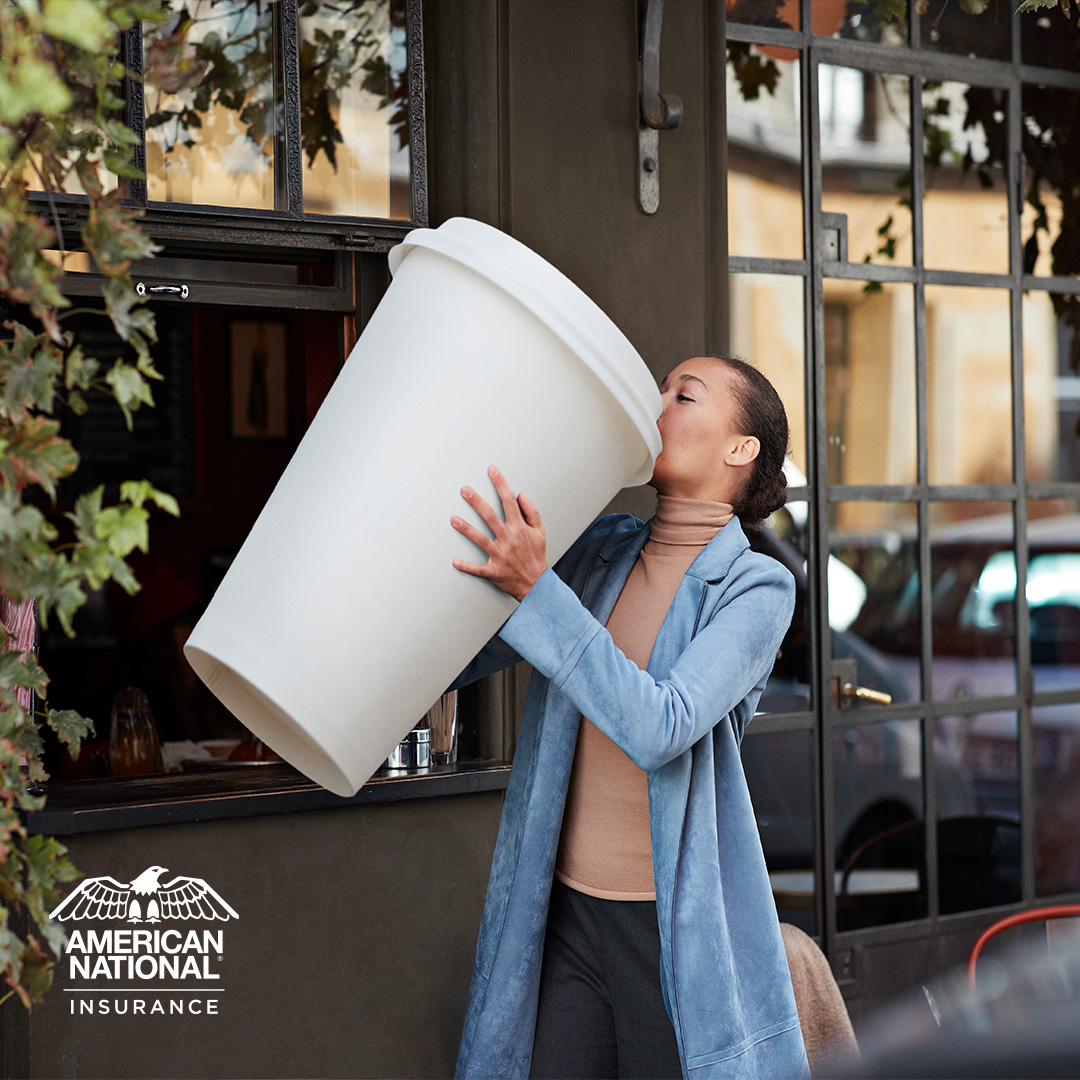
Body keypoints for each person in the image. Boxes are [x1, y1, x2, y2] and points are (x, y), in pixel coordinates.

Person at [448, 355, 810, 1080]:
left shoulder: (757, 586)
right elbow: (469, 652)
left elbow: (661, 727)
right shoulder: (605, 545)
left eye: (686, 395)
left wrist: (538, 590)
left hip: (669, 929)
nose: (660, 405)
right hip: (565, 912)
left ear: (741, 449)